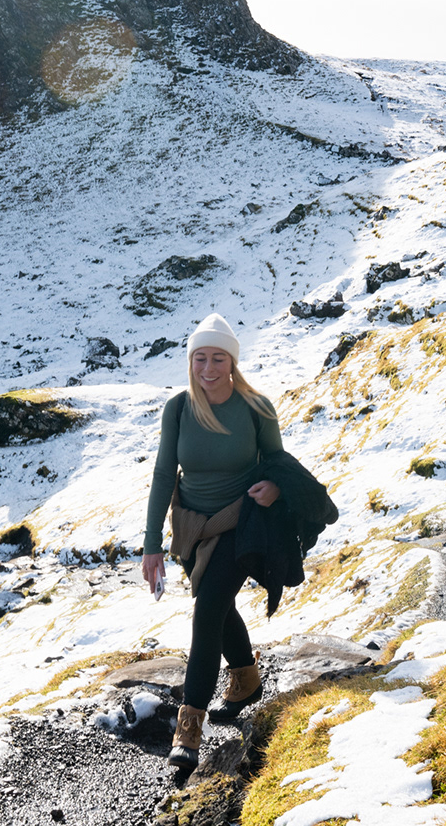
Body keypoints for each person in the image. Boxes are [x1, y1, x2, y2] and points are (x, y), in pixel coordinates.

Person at [141, 313, 283, 771]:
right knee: (217, 606)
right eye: (200, 357)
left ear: (232, 361)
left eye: (218, 358)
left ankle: (189, 728)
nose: (208, 367)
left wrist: (274, 488)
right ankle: (246, 680)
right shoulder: (179, 408)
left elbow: (278, 464)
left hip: (241, 523)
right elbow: (164, 474)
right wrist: (152, 544)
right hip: (191, 527)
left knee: (206, 613)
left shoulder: (256, 407)